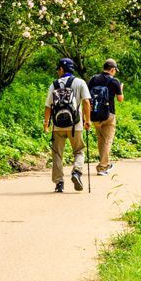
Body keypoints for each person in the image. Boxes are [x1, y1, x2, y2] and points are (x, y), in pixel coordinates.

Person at [44, 58, 91, 192]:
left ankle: (59, 184)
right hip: (75, 125)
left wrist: (46, 123)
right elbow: (87, 102)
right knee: (79, 150)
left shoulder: (54, 85)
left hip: (57, 125)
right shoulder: (80, 82)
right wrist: (87, 120)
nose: (58, 72)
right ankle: (76, 172)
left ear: (62, 69)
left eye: (58, 69)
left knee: (57, 154)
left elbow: (48, 106)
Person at [87, 58, 124, 175]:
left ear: (103, 68)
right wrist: (121, 90)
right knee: (107, 141)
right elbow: (120, 100)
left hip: (95, 114)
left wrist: (86, 117)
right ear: (113, 69)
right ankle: (102, 167)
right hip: (109, 115)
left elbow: (87, 99)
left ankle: (106, 163)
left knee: (100, 139)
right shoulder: (115, 81)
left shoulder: (93, 79)